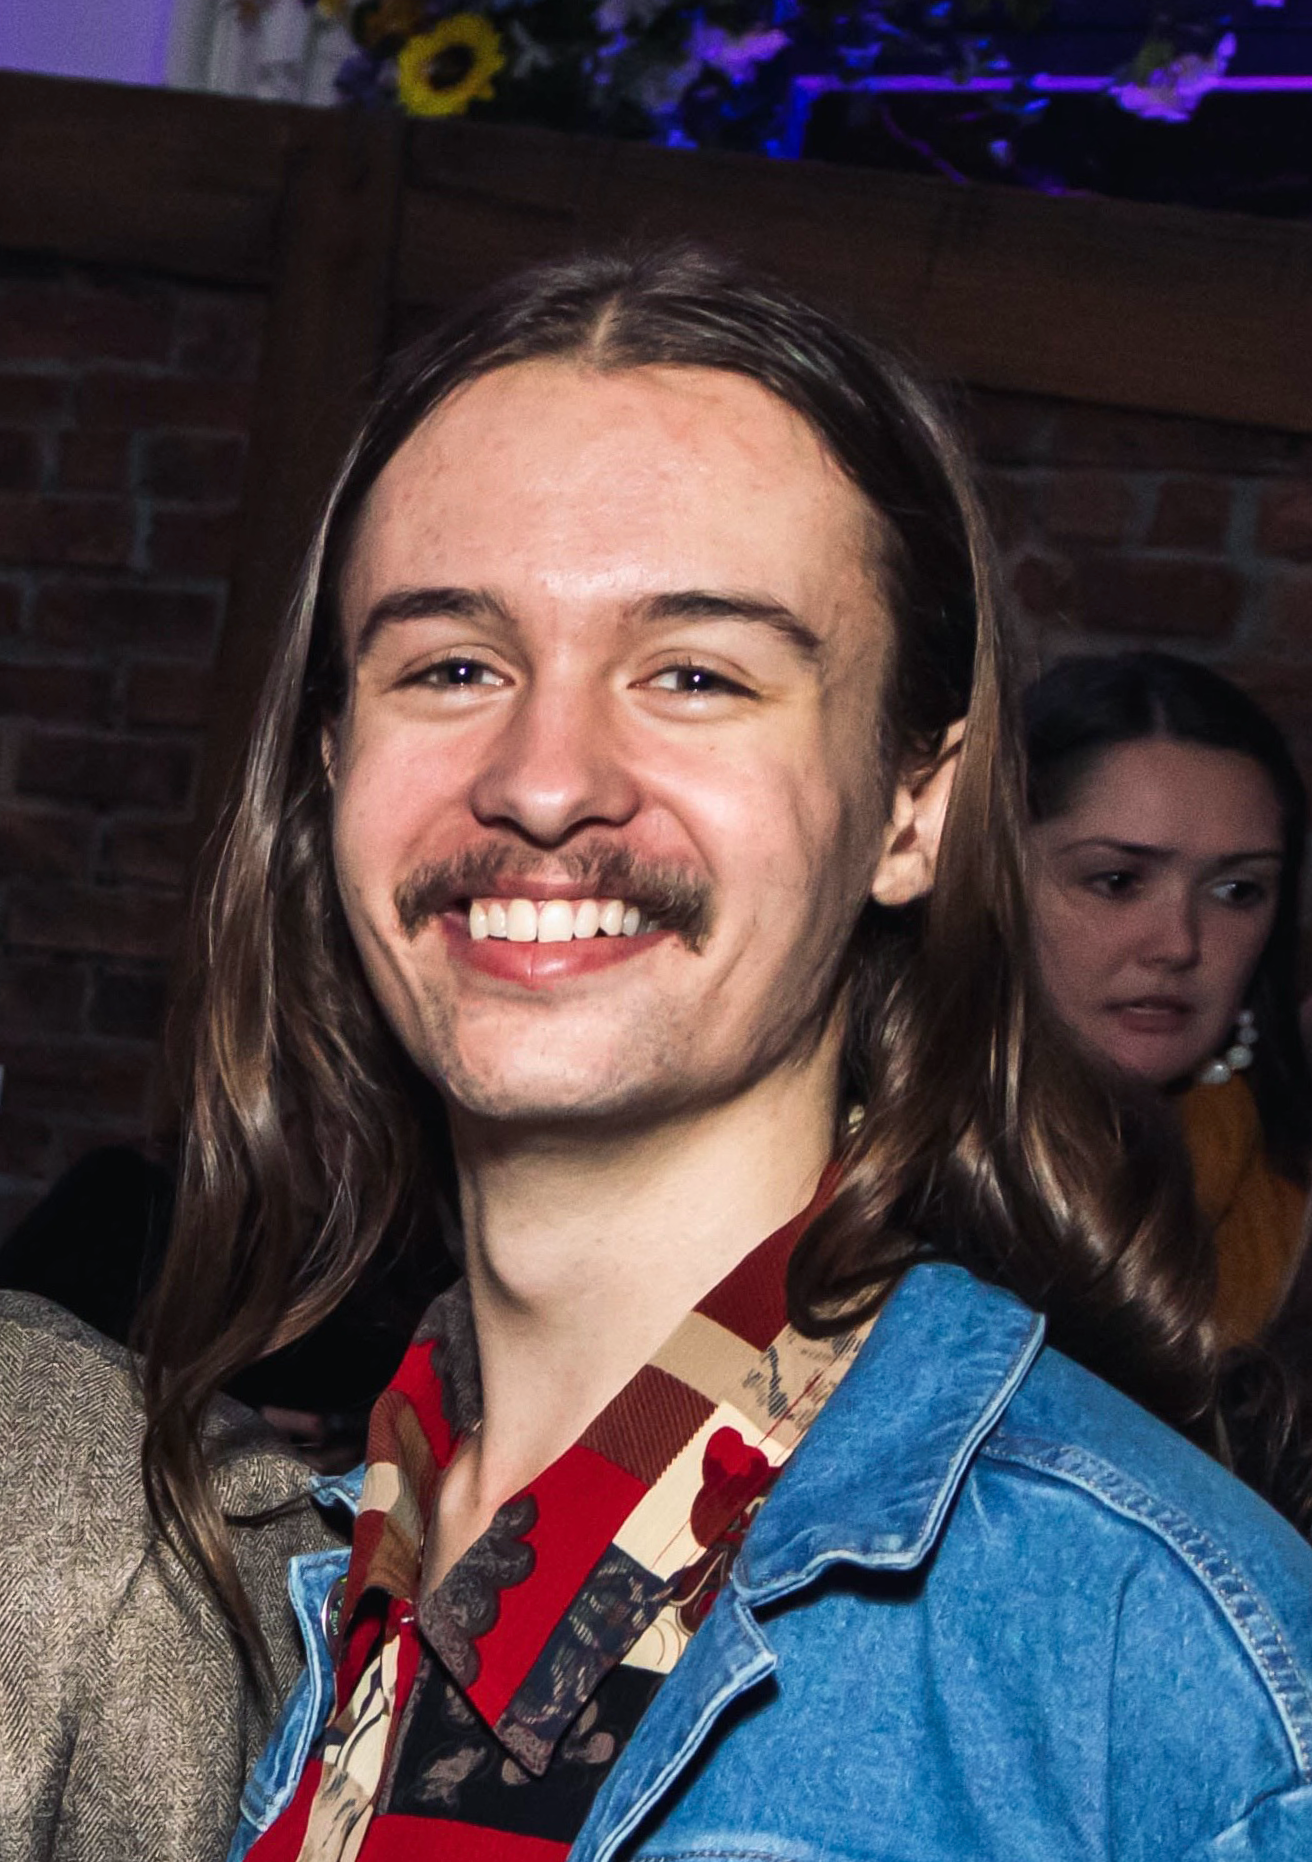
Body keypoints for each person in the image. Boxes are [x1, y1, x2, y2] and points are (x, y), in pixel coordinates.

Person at [89, 247, 1312, 1860]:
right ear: (332, 769)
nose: (542, 779)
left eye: (693, 673)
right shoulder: (214, 1585)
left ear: (913, 806)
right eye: (452, 664)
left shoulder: (1151, 1669)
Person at [1025, 651, 1312, 1346]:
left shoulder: (1288, 1189)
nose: (1178, 944)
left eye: (1237, 891)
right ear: (993, 875)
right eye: (1118, 881)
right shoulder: (862, 1162)